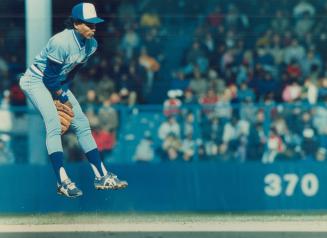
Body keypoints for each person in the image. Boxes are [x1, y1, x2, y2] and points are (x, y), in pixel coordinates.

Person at [19, 2, 127, 198]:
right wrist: (60, 97)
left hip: (56, 82)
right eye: (89, 24)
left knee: (83, 124)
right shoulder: (61, 42)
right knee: (53, 123)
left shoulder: (91, 45)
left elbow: (69, 75)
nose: (93, 28)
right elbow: (48, 78)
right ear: (77, 23)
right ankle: (62, 181)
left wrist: (63, 94)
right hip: (35, 80)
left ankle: (102, 176)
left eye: (95, 24)